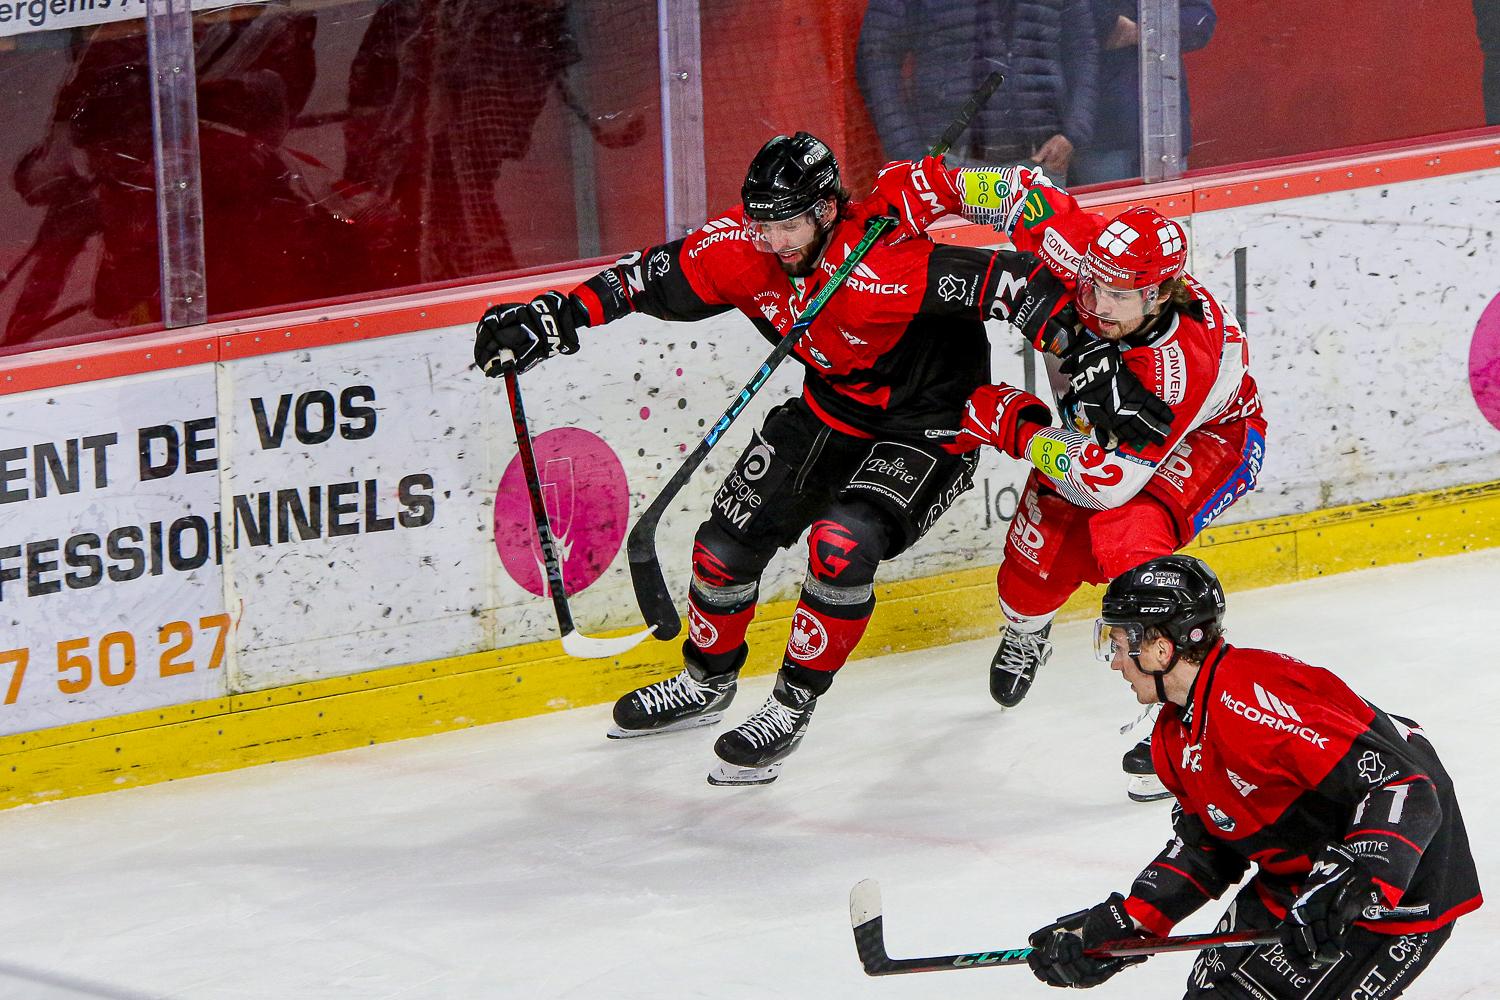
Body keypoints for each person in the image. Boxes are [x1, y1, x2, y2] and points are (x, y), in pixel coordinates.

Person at [471, 133, 1153, 785]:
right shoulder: (738, 248)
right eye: (763, 224)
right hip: (831, 411)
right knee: (721, 547)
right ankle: (707, 681)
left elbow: (1013, 284)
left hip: (928, 426)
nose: (774, 241)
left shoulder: (883, 262)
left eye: (789, 225)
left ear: (826, 210)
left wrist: (1085, 353)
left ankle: (790, 705)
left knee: (839, 545)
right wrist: (552, 317)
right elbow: (642, 280)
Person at [890, 159, 1266, 800]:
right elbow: (1017, 191)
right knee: (1028, 580)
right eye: (1095, 285)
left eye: (1119, 296)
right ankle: (1026, 631)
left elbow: (1107, 485)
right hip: (1102, 444)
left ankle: (1182, 716)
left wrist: (1015, 428)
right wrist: (927, 188)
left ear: (1160, 295)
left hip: (1209, 441)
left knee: (1129, 539)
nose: (1097, 305)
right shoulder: (1086, 250)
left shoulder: (1177, 368)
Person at [1025, 554, 1481, 997]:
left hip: (1391, 894)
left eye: (1120, 644)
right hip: (1302, 875)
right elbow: (1207, 850)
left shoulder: (1251, 700)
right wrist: (1122, 926)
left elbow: (1404, 786)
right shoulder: (1173, 733)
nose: (1114, 662)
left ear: (1160, 648)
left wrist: (1353, 880)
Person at [856, 0, 1098, 182]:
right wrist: (910, 155)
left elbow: (1083, 48)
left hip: (1041, 164)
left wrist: (1073, 133)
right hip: (950, 169)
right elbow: (876, 57)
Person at [1070, 0, 1216, 186]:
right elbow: (1073, 25)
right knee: (1109, 203)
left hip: (1166, 134)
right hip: (1103, 132)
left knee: (1169, 204)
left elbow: (1202, 20)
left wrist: (1143, 32)